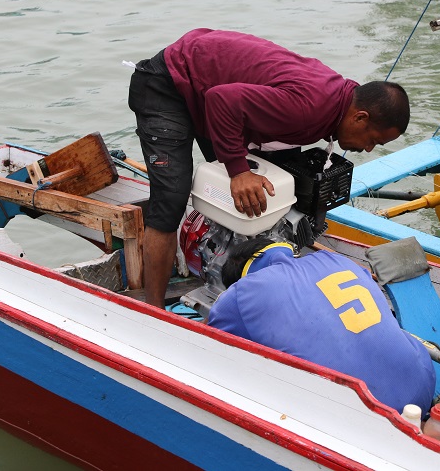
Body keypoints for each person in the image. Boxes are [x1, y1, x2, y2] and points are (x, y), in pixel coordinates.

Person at [127, 28, 410, 307]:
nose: (369, 149)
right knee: (171, 200)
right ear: (360, 118)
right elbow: (221, 100)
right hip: (171, 82)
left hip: (210, 85)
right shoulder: (309, 108)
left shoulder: (339, 103)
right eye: (374, 140)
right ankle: (154, 310)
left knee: (259, 192)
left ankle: (230, 273)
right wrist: (238, 171)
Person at [208, 238, 436, 415]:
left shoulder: (241, 292)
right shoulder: (336, 259)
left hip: (362, 414)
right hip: (422, 388)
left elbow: (208, 342)